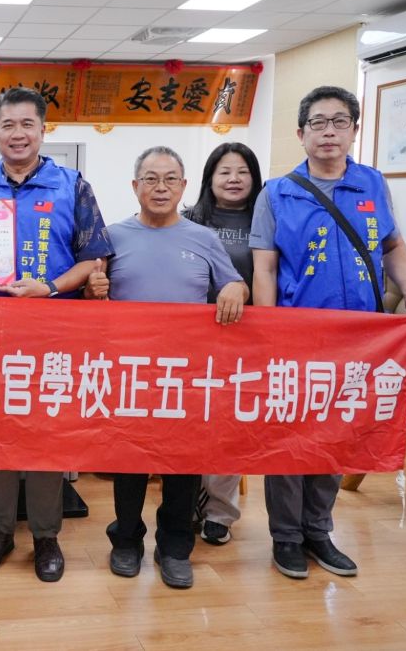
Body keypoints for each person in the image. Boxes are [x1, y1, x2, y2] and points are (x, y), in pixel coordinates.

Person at [251, 86, 406, 580]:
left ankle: (318, 531)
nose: (328, 131)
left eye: (339, 122)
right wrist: (268, 331)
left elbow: (393, 247)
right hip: (298, 337)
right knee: (290, 436)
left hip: (360, 339)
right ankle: (286, 537)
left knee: (338, 434)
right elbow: (265, 268)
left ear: (354, 130)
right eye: (318, 122)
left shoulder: (372, 184)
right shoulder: (277, 193)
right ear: (301, 133)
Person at [0, 87, 114, 583]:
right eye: (8, 125)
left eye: (27, 124)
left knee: (46, 435)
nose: (17, 134)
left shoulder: (72, 185)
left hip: (52, 331)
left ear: (43, 130)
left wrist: (51, 287)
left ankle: (46, 536)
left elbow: (94, 258)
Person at [94, 146, 248, 589]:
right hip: (130, 373)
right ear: (135, 186)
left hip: (187, 375)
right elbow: (94, 298)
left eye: (169, 179)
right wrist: (93, 286)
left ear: (183, 186)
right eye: (150, 178)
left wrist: (235, 287)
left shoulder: (204, 238)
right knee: (129, 462)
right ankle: (126, 540)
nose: (160, 188)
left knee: (183, 464)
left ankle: (176, 547)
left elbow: (234, 284)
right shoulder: (112, 236)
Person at [183, 142, 263, 546]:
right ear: (209, 178)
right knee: (190, 424)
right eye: (225, 172)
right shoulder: (188, 219)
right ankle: (187, 500)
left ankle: (219, 512)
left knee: (231, 427)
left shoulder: (267, 220)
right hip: (192, 342)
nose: (234, 179)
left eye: (242, 172)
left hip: (243, 340)